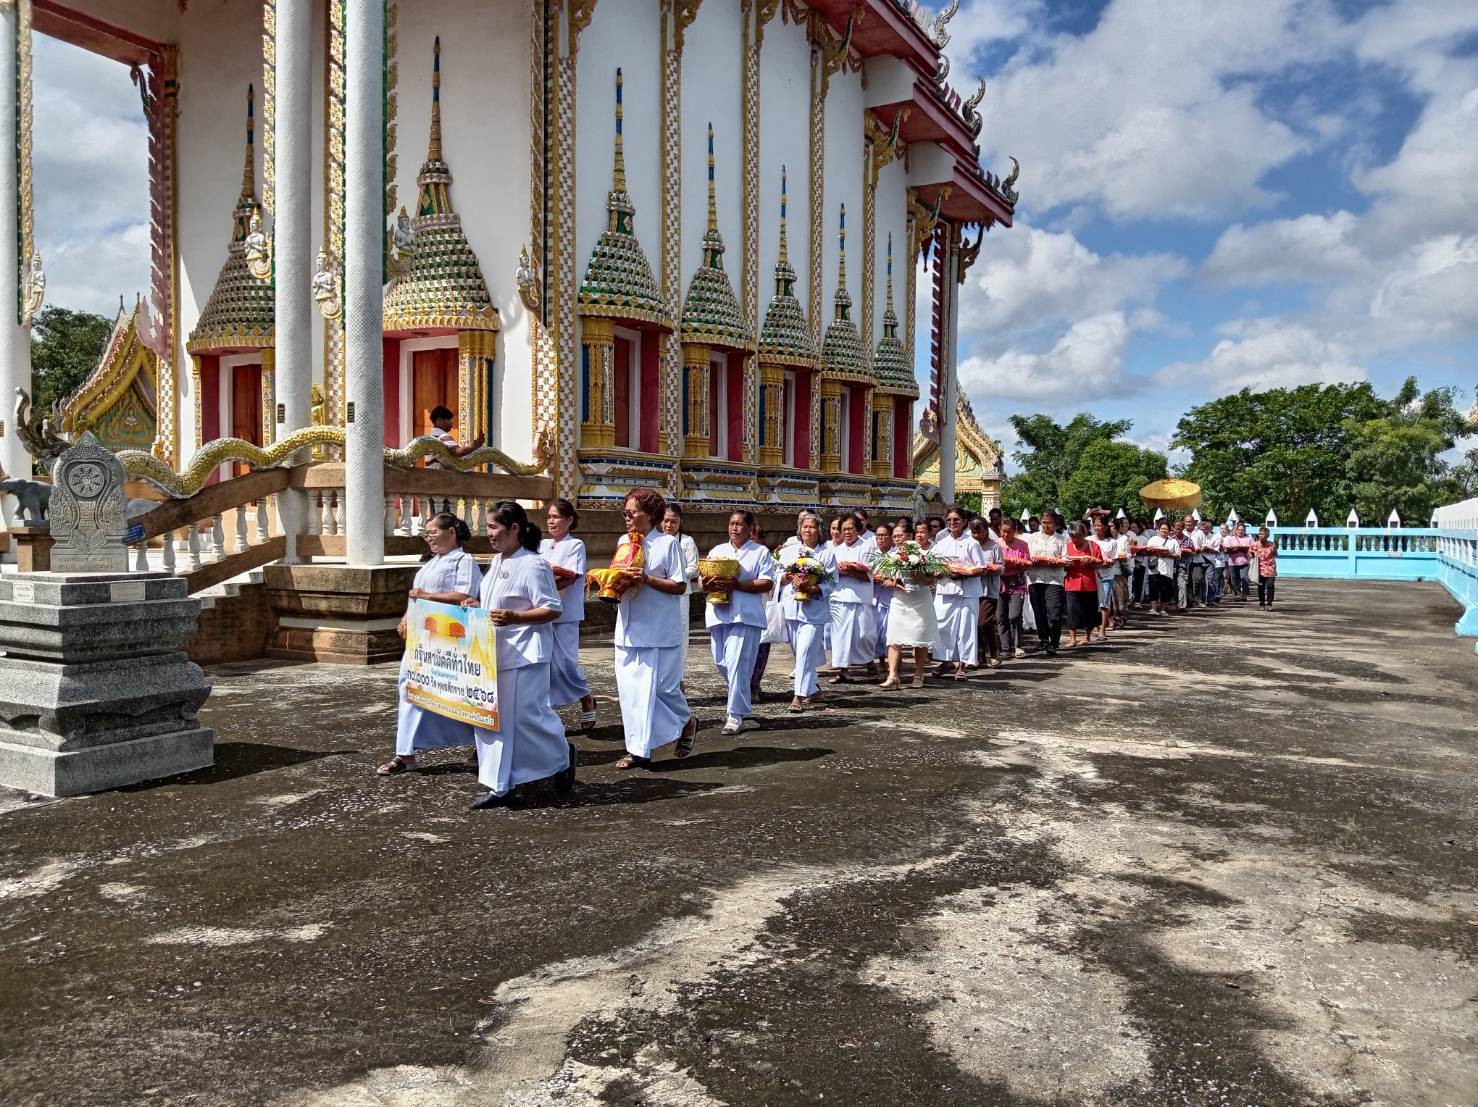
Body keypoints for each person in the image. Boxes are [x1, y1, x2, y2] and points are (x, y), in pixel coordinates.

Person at [463, 501, 576, 809]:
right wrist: (475, 607)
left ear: (515, 529)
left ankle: (562, 756)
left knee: (528, 719)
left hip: (525, 653)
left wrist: (516, 617)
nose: (489, 534)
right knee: (490, 720)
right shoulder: (497, 562)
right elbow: (491, 602)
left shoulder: (534, 564)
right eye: (487, 527)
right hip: (492, 653)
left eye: (494, 527)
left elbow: (552, 607)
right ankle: (500, 785)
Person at [377, 513, 483, 776]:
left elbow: (466, 595)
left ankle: (482, 744)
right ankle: (405, 753)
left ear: (452, 533)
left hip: (451, 638)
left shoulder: (464, 560)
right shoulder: (431, 563)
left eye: (434, 531)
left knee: (460, 692)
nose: (429, 537)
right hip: (423, 638)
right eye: (427, 533)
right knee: (409, 686)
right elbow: (417, 597)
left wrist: (428, 596)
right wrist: (406, 616)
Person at [612, 489, 696, 770]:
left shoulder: (667, 544)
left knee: (662, 689)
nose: (627, 518)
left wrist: (647, 579)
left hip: (659, 628)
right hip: (628, 626)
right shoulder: (624, 541)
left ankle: (686, 721)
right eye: (624, 513)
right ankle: (637, 750)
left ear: (649, 514)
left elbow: (680, 585)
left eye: (631, 512)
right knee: (631, 693)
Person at [701, 510, 776, 735]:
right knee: (722, 661)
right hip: (718, 612)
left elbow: (766, 583)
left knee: (737, 664)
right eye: (732, 524)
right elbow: (702, 578)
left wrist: (738, 585)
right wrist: (707, 583)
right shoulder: (718, 551)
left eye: (740, 524)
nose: (735, 528)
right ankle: (742, 697)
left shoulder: (760, 552)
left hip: (746, 615)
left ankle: (734, 715)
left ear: (750, 528)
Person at [540, 498, 597, 731]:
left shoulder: (575, 545)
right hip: (541, 612)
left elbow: (571, 576)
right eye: (549, 517)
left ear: (569, 520)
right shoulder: (542, 545)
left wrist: (545, 586)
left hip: (566, 612)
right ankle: (547, 713)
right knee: (544, 664)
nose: (552, 521)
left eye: (556, 517)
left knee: (565, 663)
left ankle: (586, 697)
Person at [780, 512, 837, 713]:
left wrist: (813, 588)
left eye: (812, 527)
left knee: (805, 652)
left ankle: (799, 696)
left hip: (814, 610)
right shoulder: (790, 551)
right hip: (792, 609)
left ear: (819, 530)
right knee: (800, 654)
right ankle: (813, 689)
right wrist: (787, 578)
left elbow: (832, 582)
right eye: (805, 527)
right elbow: (777, 573)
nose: (808, 530)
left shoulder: (826, 553)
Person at [879, 519, 940, 689]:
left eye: (900, 535)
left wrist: (920, 577)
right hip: (900, 600)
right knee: (893, 637)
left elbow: (932, 579)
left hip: (920, 599)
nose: (897, 539)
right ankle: (892, 675)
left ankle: (919, 673)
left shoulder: (923, 555)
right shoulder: (892, 556)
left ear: (909, 536)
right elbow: (885, 580)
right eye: (895, 536)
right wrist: (893, 583)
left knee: (920, 637)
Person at [930, 507, 985, 678]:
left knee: (965, 629)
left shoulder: (971, 543)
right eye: (949, 520)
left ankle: (962, 665)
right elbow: (931, 565)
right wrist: (937, 572)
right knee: (942, 627)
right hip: (945, 590)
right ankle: (945, 661)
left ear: (964, 522)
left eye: (956, 520)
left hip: (967, 591)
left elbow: (980, 568)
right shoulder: (941, 544)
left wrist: (962, 572)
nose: (952, 523)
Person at [828, 516, 878, 682]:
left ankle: (870, 662)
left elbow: (867, 576)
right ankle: (843, 670)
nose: (847, 533)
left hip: (860, 597)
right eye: (844, 530)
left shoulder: (867, 546)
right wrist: (839, 570)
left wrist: (849, 569)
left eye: (850, 529)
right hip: (839, 597)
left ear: (858, 529)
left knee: (863, 634)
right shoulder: (836, 549)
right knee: (840, 636)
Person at [659, 503, 702, 674]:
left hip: (680, 593)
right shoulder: (655, 540)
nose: (669, 525)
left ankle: (678, 674)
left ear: (680, 522)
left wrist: (675, 575)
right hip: (658, 592)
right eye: (666, 521)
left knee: (681, 631)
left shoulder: (686, 541)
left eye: (673, 522)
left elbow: (695, 567)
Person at [1024, 511, 1067, 656]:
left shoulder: (1061, 539)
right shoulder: (1032, 538)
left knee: (1054, 612)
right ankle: (1043, 639)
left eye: (1049, 523)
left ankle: (1054, 640)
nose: (1046, 526)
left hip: (1054, 579)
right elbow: (1026, 556)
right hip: (1035, 577)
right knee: (1039, 610)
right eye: (1044, 522)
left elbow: (1066, 559)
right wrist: (1032, 560)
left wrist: (1057, 561)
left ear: (1055, 523)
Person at [995, 517, 1030, 661]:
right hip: (999, 582)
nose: (1006, 535)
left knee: (1014, 615)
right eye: (1003, 531)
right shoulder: (996, 544)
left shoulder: (1022, 544)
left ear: (1015, 531)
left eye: (1009, 532)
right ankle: (1005, 646)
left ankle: (1018, 644)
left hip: (1017, 582)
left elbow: (1028, 563)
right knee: (1000, 616)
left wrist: (1018, 563)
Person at [970, 517, 1003, 668]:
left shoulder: (994, 546)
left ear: (986, 531)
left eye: (979, 532)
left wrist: (990, 568)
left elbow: (1001, 567)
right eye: (974, 532)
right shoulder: (970, 545)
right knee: (974, 624)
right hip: (972, 589)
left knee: (984, 622)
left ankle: (995, 653)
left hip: (989, 589)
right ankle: (980, 656)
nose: (977, 536)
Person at [1064, 521, 1103, 649]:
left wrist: (1091, 562)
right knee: (1071, 610)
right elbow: (1061, 561)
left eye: (1078, 536)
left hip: (1089, 582)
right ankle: (1072, 638)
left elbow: (1100, 562)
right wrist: (1067, 564)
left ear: (1084, 535)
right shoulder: (1067, 546)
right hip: (1071, 582)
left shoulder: (1093, 546)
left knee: (1089, 610)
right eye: (1073, 536)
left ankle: (1087, 636)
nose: (1075, 540)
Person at [870, 523, 896, 666]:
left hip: (890, 597)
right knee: (875, 631)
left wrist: (886, 577)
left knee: (888, 631)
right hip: (874, 596)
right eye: (878, 535)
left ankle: (891, 661)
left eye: (884, 535)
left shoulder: (896, 554)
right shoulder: (871, 554)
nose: (881, 538)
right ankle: (878, 660)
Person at [1145, 521, 1180, 616]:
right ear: (1159, 529)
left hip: (1167, 568)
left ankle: (1163, 609)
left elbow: (1178, 555)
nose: (1164, 531)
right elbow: (1146, 552)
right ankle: (1153, 608)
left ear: (1169, 530)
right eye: (1162, 529)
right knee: (1153, 588)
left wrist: (1168, 554)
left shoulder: (1173, 541)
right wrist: (1153, 551)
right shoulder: (1153, 539)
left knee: (1165, 589)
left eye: (1166, 529)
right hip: (1154, 567)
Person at [1091, 517, 1117, 642]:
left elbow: (1114, 559)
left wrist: (1108, 561)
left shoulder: (1111, 542)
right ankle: (1093, 627)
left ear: (1105, 527)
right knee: (1093, 602)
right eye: (1095, 525)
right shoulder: (1089, 540)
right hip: (1092, 575)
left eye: (1099, 525)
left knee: (1104, 602)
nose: (1097, 528)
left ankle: (1102, 630)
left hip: (1106, 575)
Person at [1252, 526, 1279, 609]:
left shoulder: (1272, 545)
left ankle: (1269, 603)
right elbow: (1250, 554)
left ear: (1267, 535)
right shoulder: (1255, 544)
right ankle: (1262, 603)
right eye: (1259, 534)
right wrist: (1254, 555)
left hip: (1270, 569)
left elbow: (1275, 554)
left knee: (1270, 586)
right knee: (1261, 587)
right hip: (1259, 569)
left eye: (1262, 534)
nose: (1260, 535)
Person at [1224, 522, 1252, 601]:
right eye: (1239, 529)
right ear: (1235, 530)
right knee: (1234, 579)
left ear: (1245, 531)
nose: (1240, 531)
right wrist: (1233, 549)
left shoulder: (1249, 539)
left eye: (1242, 530)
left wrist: (1245, 548)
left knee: (1244, 577)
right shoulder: (1230, 539)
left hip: (1244, 562)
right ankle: (1237, 593)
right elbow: (1225, 550)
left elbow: (1252, 549)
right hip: (1232, 562)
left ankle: (1244, 593)